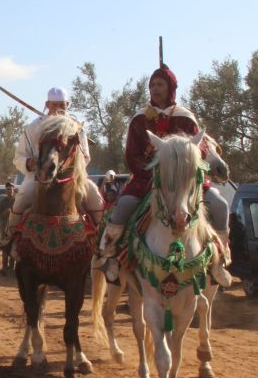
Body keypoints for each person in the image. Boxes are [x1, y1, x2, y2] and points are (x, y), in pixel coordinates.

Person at [97, 64, 231, 286]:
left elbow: (201, 150)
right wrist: (154, 175)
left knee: (220, 205)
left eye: (159, 84)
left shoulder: (186, 118)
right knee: (123, 207)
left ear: (170, 88)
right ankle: (111, 256)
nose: (154, 89)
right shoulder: (139, 120)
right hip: (147, 181)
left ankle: (220, 259)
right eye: (151, 85)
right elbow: (132, 155)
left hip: (186, 182)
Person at [5, 87, 103, 241]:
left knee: (94, 194)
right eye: (54, 105)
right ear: (47, 104)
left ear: (68, 105)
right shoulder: (32, 128)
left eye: (62, 105)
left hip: (71, 178)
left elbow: (86, 156)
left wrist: (68, 166)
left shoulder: (76, 128)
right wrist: (29, 163)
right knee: (22, 197)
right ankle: (11, 237)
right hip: (38, 176)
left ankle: (101, 238)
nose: (58, 109)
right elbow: (19, 157)